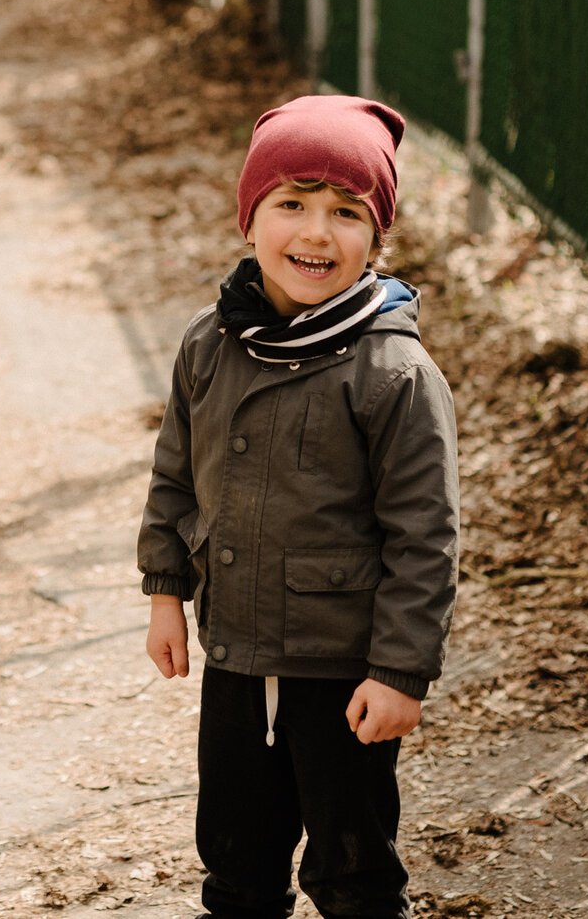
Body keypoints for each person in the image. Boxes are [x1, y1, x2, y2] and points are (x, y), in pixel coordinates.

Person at [137, 95, 459, 919]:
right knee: (237, 856)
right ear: (250, 220)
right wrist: (165, 592)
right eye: (292, 204)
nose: (316, 233)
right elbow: (176, 473)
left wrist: (399, 671)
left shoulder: (393, 373)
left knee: (351, 867)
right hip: (237, 657)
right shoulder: (211, 343)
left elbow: (425, 536)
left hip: (341, 671)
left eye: (346, 213)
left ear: (376, 239)